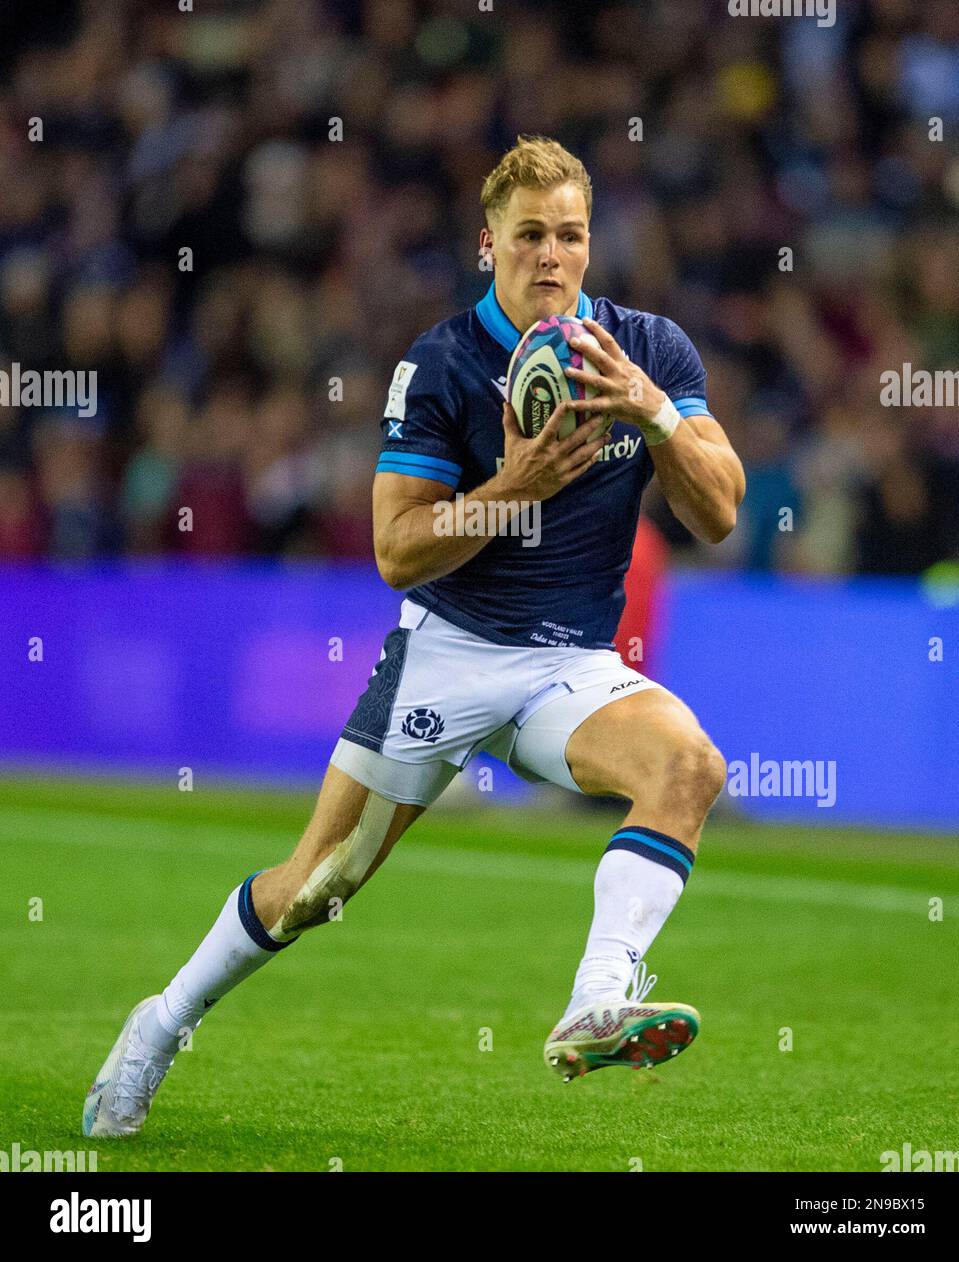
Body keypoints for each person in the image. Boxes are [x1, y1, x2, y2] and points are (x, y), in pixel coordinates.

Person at [83, 136, 745, 1136]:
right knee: (318, 884)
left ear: (591, 242)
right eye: (530, 236)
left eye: (570, 234)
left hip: (570, 663)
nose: (552, 256)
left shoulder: (648, 352)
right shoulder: (439, 364)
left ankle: (596, 998)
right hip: (447, 650)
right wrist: (511, 489)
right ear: (489, 245)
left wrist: (652, 414)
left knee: (690, 765)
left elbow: (723, 511)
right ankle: (162, 1022)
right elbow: (397, 550)